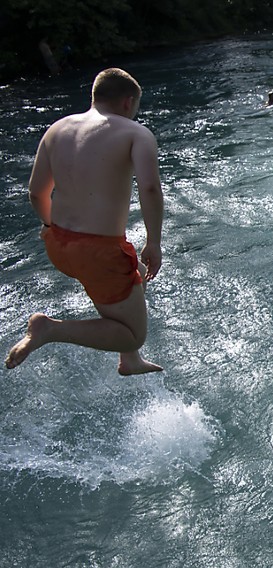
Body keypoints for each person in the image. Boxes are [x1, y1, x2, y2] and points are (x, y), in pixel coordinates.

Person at [5, 68, 164, 376]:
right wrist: (154, 241)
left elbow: (37, 193)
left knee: (137, 273)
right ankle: (48, 329)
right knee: (133, 332)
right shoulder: (136, 133)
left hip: (58, 245)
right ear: (128, 103)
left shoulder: (57, 129)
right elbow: (149, 188)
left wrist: (50, 227)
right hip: (97, 253)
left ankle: (129, 360)